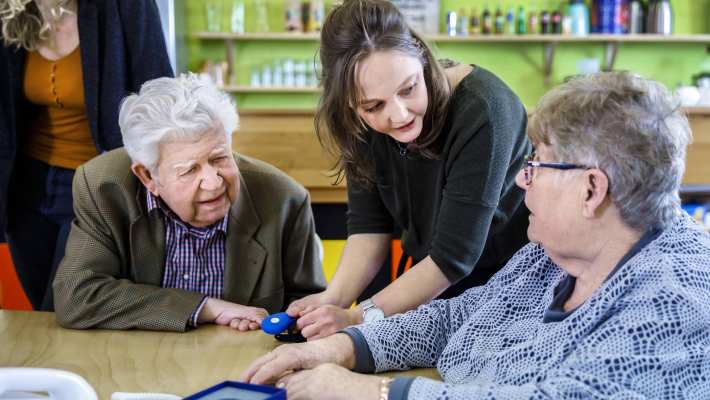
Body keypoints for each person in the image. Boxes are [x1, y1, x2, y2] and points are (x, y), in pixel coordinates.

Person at [242, 71, 710, 399]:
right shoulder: (553, 255)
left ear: (591, 189)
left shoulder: (680, 299)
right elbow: (461, 317)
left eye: (536, 166)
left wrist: (374, 393)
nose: (522, 181)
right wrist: (343, 347)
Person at [286, 0, 531, 339]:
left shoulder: (484, 111)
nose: (398, 115)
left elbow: (452, 259)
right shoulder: (360, 126)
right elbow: (369, 227)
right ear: (347, 103)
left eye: (409, 88)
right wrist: (333, 300)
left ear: (419, 53)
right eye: (373, 106)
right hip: (428, 281)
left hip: (508, 285)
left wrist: (357, 319)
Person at [52, 74, 326, 332]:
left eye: (219, 158)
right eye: (188, 170)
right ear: (148, 176)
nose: (213, 182)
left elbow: (309, 309)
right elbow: (77, 295)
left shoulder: (284, 200)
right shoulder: (105, 188)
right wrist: (204, 308)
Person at [0, 0, 173, 311]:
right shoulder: (11, 13)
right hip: (26, 188)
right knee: (42, 312)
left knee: (67, 305)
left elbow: (159, 95)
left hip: (95, 184)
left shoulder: (126, 8)